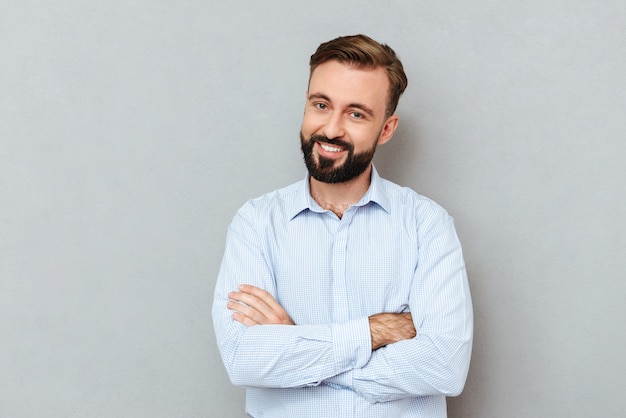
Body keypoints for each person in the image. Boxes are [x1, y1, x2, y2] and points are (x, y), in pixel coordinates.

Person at [212, 34, 473, 418]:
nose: (331, 129)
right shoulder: (256, 223)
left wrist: (294, 347)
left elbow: (445, 366)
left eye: (356, 113)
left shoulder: (426, 224)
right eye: (321, 105)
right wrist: (374, 332)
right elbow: (242, 360)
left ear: (386, 129)